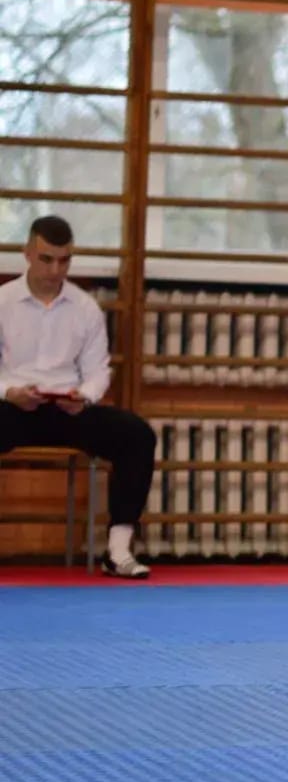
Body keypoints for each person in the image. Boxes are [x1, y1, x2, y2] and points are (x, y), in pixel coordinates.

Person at [0, 215, 157, 579]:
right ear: (27, 254)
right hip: (13, 406)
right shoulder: (3, 301)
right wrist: (10, 392)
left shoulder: (85, 308)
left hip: (67, 409)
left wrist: (83, 397)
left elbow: (98, 370)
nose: (55, 270)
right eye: (46, 259)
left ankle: (118, 551)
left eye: (64, 260)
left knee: (137, 435)